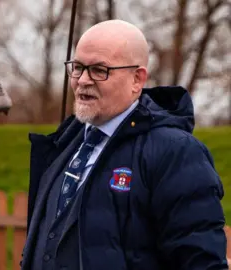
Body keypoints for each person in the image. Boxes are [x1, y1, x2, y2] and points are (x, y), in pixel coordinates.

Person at [21, 19, 228, 270]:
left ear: (137, 80)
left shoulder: (177, 153)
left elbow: (200, 262)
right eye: (77, 67)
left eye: (99, 70)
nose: (83, 80)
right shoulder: (63, 144)